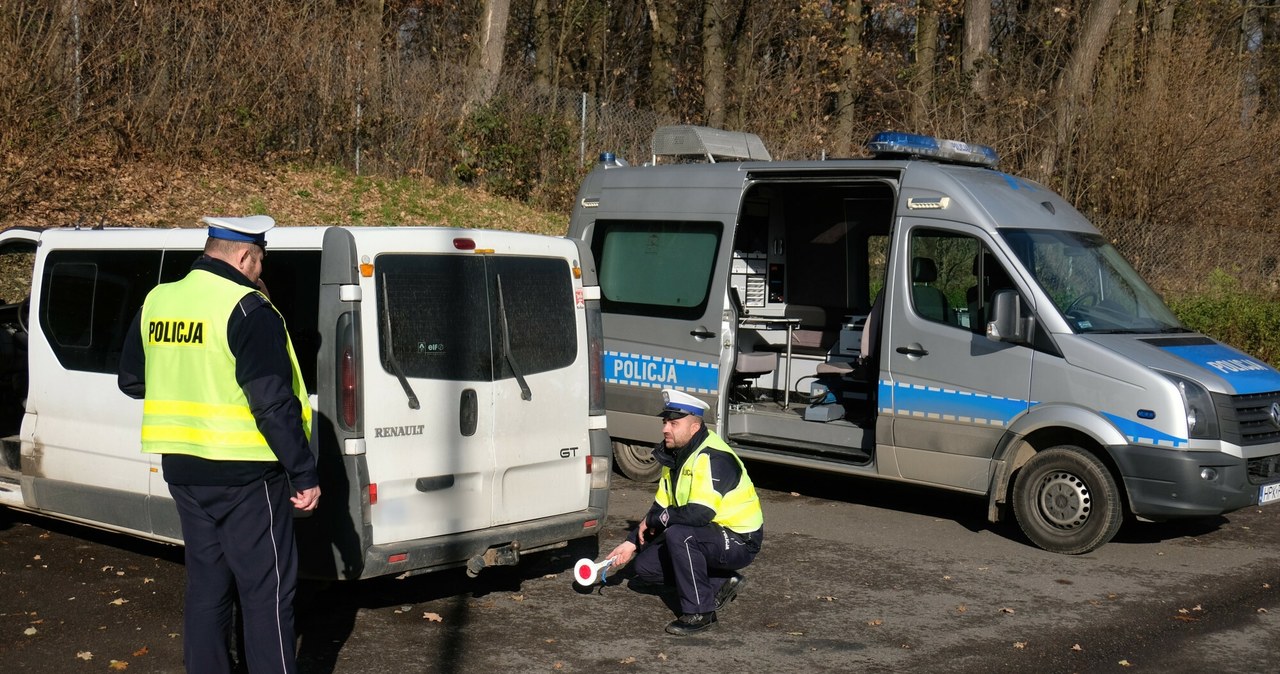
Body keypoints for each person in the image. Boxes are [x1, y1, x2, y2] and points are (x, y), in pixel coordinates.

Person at [118, 215, 320, 673]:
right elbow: (272, 404)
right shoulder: (248, 308)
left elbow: (131, 381)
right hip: (246, 475)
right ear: (245, 256)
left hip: (184, 471)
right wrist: (304, 472)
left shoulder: (159, 299)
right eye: (260, 261)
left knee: (207, 589)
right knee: (266, 594)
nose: (260, 271)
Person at [604, 389, 764, 635]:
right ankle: (722, 582)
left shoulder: (713, 456)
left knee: (680, 535)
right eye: (665, 422)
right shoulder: (677, 456)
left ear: (694, 427)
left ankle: (701, 613)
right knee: (645, 567)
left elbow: (699, 514)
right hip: (708, 534)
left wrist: (660, 518)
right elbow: (659, 508)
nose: (665, 429)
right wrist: (631, 544)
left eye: (674, 423)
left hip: (739, 539)